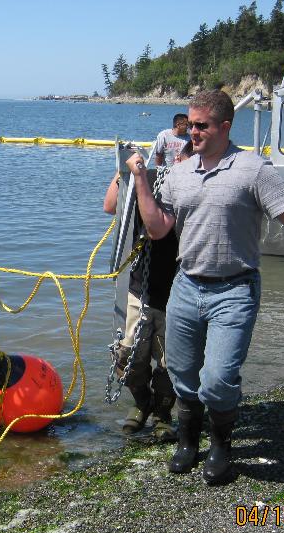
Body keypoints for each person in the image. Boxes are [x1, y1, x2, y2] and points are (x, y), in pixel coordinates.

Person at [128, 90, 284, 484]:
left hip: (235, 289)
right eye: (190, 125)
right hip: (186, 286)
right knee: (181, 372)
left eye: (202, 126)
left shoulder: (253, 169)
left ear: (225, 126)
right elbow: (159, 227)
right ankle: (188, 439)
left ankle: (220, 443)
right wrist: (140, 180)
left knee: (218, 378)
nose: (192, 133)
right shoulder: (179, 172)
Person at [102, 146, 187, 442]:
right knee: (127, 356)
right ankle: (142, 403)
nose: (178, 165)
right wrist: (125, 171)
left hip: (176, 291)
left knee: (169, 361)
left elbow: (157, 229)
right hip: (138, 288)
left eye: (185, 161)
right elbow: (110, 206)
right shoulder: (146, 182)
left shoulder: (191, 193)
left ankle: (163, 413)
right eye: (175, 159)